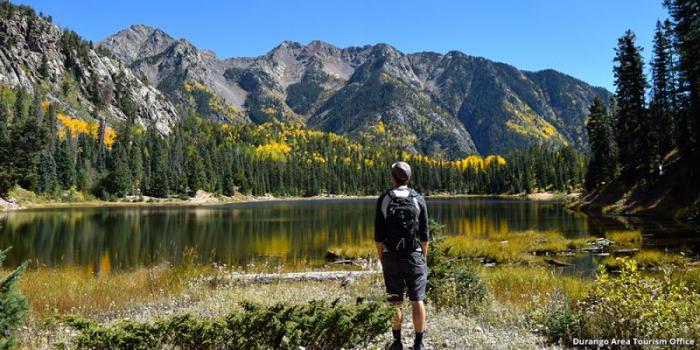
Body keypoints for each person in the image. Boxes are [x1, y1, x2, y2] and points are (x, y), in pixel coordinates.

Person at [374, 161, 429, 350]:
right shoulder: (418, 198)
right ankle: (418, 343)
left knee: (395, 300)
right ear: (409, 178)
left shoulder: (384, 199)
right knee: (417, 299)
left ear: (393, 177)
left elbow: (378, 237)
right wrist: (423, 257)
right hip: (414, 255)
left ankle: (397, 342)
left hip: (391, 256)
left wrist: (382, 258)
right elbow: (425, 236)